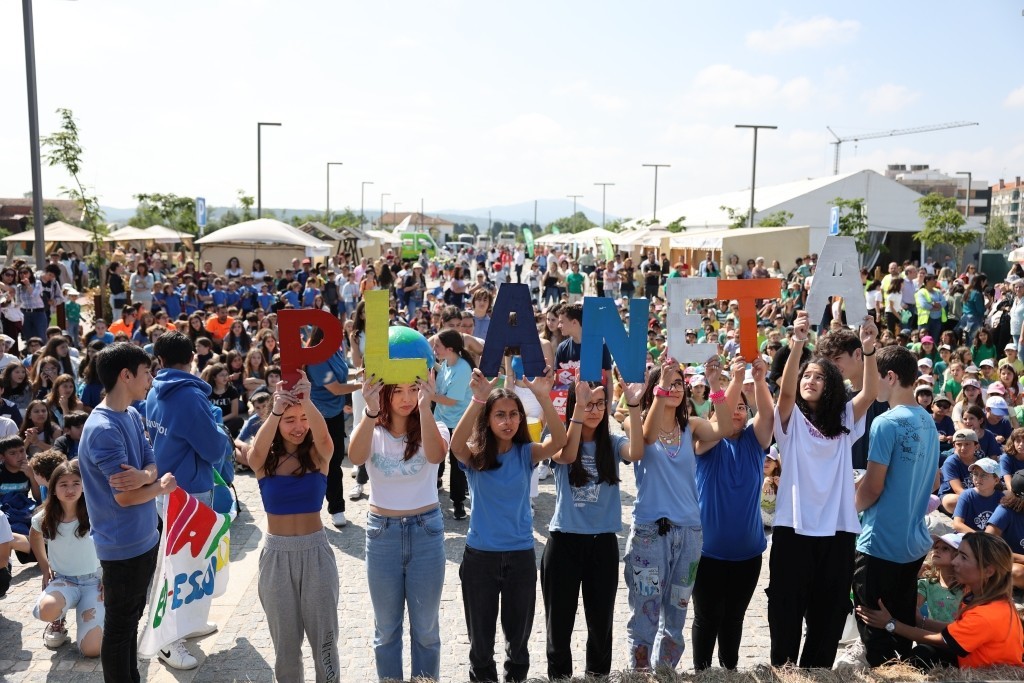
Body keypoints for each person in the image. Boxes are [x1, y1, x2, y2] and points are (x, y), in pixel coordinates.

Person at [767, 311, 878, 668]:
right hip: (793, 526)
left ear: (831, 384)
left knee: (829, 609)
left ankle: (815, 671)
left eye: (819, 376)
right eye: (806, 375)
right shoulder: (790, 420)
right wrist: (798, 342)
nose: (810, 380)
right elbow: (784, 391)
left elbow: (871, 391)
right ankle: (784, 670)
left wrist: (870, 349)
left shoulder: (846, 419)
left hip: (838, 529)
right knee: (786, 605)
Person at [623, 355, 743, 671]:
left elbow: (726, 427)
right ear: (653, 389)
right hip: (649, 533)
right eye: (667, 383)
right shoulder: (635, 420)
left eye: (679, 383)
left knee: (676, 611)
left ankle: (666, 672)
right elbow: (645, 439)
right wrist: (660, 387)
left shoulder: (691, 427)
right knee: (645, 609)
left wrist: (717, 385)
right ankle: (639, 671)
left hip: (689, 533)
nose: (674, 388)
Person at [450, 366, 567, 683]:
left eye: (513, 414)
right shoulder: (476, 457)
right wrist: (478, 399)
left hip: (520, 558)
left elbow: (559, 440)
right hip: (480, 559)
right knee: (481, 645)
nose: (507, 421)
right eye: (499, 414)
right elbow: (456, 445)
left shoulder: (526, 452)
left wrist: (543, 399)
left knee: (519, 644)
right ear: (488, 419)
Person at [78, 342, 177, 683]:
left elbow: (151, 461)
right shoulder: (104, 428)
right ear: (126, 375)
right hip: (122, 547)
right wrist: (159, 487)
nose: (151, 378)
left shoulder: (132, 413)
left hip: (144, 536)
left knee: (131, 621)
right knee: (120, 629)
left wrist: (148, 478)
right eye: (147, 371)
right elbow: (126, 498)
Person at [348, 369, 450, 682]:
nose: (406, 398)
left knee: (426, 630)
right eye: (398, 391)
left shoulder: (436, 424)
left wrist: (425, 407)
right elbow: (354, 456)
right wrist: (370, 411)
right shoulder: (371, 428)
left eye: (413, 389)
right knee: (386, 630)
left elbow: (436, 454)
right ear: (385, 393)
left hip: (426, 532)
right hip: (382, 534)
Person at [542, 378, 643, 679]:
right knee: (558, 625)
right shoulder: (559, 436)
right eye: (588, 403)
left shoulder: (611, 444)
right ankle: (559, 677)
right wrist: (579, 410)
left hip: (602, 544)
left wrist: (634, 405)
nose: (595, 410)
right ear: (575, 405)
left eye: (601, 403)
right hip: (564, 542)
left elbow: (636, 452)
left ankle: (596, 676)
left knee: (601, 624)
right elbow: (567, 456)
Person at [851, 344, 941, 667]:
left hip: (880, 542)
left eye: (874, 378)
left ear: (889, 376)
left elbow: (873, 487)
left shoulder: (886, 423)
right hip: (913, 543)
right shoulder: (928, 421)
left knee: (873, 624)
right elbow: (933, 483)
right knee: (900, 621)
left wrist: (849, 507)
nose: (870, 386)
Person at [145, 331, 230, 668]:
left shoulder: (155, 389)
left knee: (190, 563)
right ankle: (169, 641)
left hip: (170, 489)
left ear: (160, 360)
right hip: (189, 493)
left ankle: (189, 623)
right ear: (192, 357)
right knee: (178, 568)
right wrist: (219, 427)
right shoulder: (189, 397)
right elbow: (214, 448)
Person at [249, 371, 339, 683]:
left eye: (303, 419)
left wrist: (307, 402)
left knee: (324, 642)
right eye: (290, 420)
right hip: (276, 556)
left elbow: (326, 438)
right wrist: (276, 409)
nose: (299, 426)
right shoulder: (265, 461)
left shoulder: (317, 455)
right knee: (286, 647)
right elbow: (253, 454)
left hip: (316, 552)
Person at [692, 357, 775, 671]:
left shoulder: (755, 442)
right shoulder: (706, 442)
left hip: (748, 553)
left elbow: (768, 415)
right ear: (715, 411)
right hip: (708, 552)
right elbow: (721, 420)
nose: (736, 411)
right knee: (706, 617)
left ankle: (729, 672)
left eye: (742, 406)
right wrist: (728, 383)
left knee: (734, 618)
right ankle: (701, 672)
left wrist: (761, 380)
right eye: (730, 406)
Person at [857, 532, 1024, 670]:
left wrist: (891, 624)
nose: (954, 561)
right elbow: (955, 630)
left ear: (988, 571)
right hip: (973, 664)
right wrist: (917, 620)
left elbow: (944, 641)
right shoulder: (981, 597)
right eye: (958, 555)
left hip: (992, 675)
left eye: (964, 557)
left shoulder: (986, 614)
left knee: (921, 655)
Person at [28, 459, 103, 655]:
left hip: (95, 581)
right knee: (47, 609)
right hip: (64, 580)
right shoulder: (45, 516)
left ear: (84, 486)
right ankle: (58, 618)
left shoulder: (97, 512)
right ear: (53, 489)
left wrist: (111, 575)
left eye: (76, 483)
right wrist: (45, 567)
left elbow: (116, 541)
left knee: (92, 650)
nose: (70, 489)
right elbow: (34, 534)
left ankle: (97, 616)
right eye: (63, 484)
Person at [305, 326, 358, 527]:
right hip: (319, 415)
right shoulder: (316, 358)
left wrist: (357, 376)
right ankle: (315, 508)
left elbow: (341, 378)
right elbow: (335, 388)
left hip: (334, 413)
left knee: (334, 461)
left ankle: (336, 508)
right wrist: (363, 385)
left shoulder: (334, 351)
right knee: (317, 461)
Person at [431, 329, 474, 519]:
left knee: (457, 464)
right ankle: (434, 492)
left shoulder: (463, 368)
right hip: (441, 420)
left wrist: (426, 394)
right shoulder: (447, 362)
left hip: (458, 422)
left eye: (437, 346)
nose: (434, 348)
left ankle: (458, 503)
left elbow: (452, 400)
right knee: (435, 458)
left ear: (449, 349)